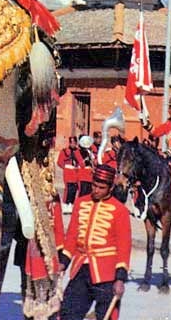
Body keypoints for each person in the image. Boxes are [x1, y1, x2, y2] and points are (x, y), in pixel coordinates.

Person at [59, 164, 131, 320]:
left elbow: (124, 246)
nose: (96, 190)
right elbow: (72, 236)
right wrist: (63, 263)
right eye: (94, 185)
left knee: (106, 316)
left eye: (101, 187)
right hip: (80, 268)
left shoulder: (120, 210)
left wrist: (120, 279)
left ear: (111, 188)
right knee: (67, 313)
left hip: (106, 273)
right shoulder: (80, 203)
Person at [57, 136, 84, 214]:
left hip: (75, 173)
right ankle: (65, 205)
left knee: (74, 190)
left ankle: (71, 204)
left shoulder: (78, 151)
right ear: (69, 143)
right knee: (68, 189)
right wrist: (65, 167)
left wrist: (80, 166)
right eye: (71, 142)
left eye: (74, 142)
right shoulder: (64, 151)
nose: (73, 144)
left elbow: (81, 162)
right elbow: (59, 162)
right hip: (68, 173)